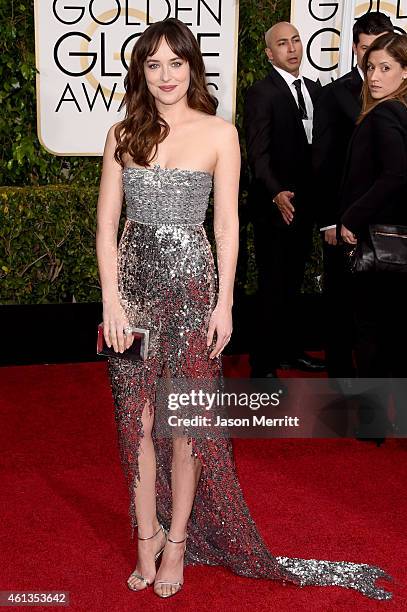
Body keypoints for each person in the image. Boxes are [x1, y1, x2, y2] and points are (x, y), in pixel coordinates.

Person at [96, 18, 392, 601]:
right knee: (138, 425)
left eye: (175, 64)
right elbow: (107, 225)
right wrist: (111, 298)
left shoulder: (218, 134)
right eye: (152, 65)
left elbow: (227, 228)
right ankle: (146, 537)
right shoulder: (122, 134)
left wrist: (226, 302)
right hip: (130, 292)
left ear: (191, 68)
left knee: (186, 424)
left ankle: (177, 541)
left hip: (191, 291)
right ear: (140, 72)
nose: (164, 76)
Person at [313, 12, 394, 378]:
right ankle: (341, 386)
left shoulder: (396, 100)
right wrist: (331, 219)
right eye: (367, 50)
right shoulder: (334, 94)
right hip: (346, 220)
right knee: (342, 308)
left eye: (383, 49)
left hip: (388, 222)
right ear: (354, 48)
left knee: (377, 318)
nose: (374, 61)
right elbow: (326, 161)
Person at [244, 22, 325, 379]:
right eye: (282, 43)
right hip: (274, 209)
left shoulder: (313, 89)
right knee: (272, 286)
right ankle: (262, 366)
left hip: (304, 207)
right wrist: (276, 191)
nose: (291, 48)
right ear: (269, 53)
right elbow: (257, 153)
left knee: (293, 283)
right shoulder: (262, 92)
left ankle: (289, 351)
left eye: (296, 41)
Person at [339, 33, 407, 384]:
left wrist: (351, 217)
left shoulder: (385, 114)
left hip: (380, 242)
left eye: (386, 68)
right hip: (392, 240)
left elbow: (396, 174)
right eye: (370, 67)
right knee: (391, 331)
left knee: (370, 331)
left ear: (405, 72)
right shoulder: (398, 111)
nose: (375, 76)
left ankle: (372, 423)